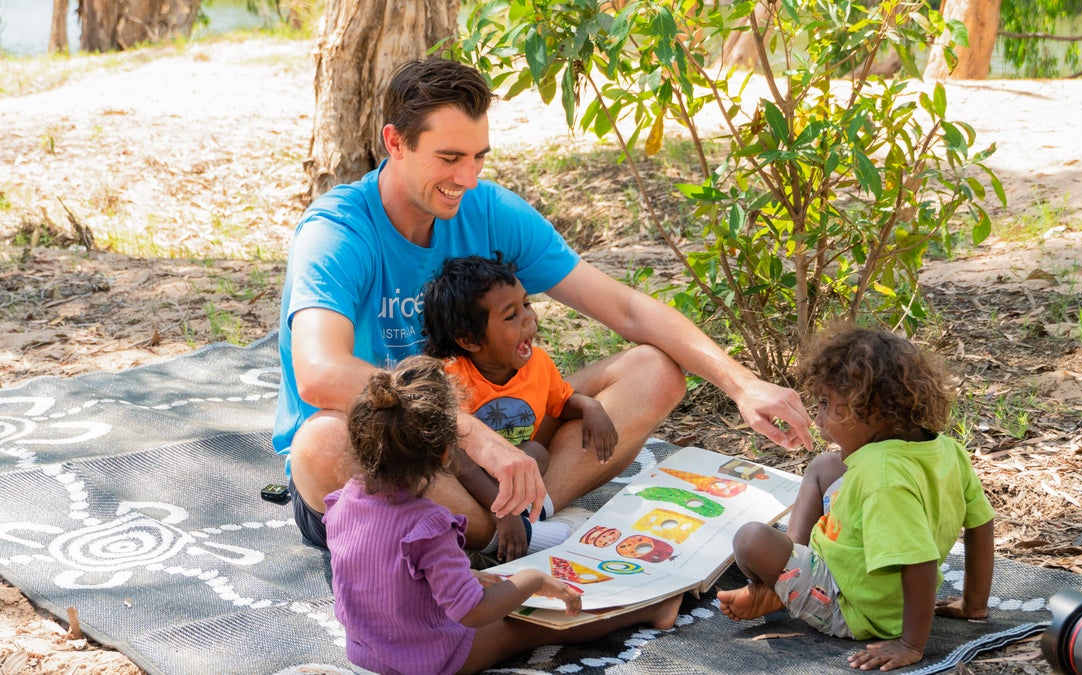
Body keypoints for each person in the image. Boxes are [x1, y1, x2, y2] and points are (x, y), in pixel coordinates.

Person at [274, 56, 813, 551]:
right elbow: (319, 374)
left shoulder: (489, 209)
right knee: (321, 444)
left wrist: (743, 385)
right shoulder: (337, 231)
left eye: (478, 157)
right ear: (395, 142)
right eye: (449, 158)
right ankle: (505, 531)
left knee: (655, 370)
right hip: (404, 452)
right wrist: (471, 435)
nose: (467, 178)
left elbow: (625, 310)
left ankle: (521, 522)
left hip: (497, 435)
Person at [324, 355, 682, 675]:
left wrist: (467, 577)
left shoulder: (343, 501)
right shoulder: (428, 526)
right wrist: (532, 581)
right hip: (432, 660)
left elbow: (382, 573)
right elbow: (473, 612)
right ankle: (648, 610)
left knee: (489, 587)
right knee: (530, 626)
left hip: (366, 653)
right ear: (447, 452)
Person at [716, 326, 995, 672]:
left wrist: (910, 644)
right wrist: (973, 604)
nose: (818, 420)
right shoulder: (947, 451)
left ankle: (780, 584)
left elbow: (919, 561)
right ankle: (788, 573)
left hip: (850, 606)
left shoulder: (882, 479)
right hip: (871, 585)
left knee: (750, 539)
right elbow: (981, 525)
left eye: (826, 405)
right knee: (823, 467)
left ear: (872, 410)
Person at [422, 254, 617, 562]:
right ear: (470, 339)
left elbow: (561, 401)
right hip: (464, 479)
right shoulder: (451, 377)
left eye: (526, 304)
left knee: (536, 452)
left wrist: (590, 406)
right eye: (511, 316)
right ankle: (504, 529)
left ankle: (524, 521)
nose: (528, 318)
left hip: (512, 474)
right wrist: (502, 511)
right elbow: (458, 459)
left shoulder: (538, 364)